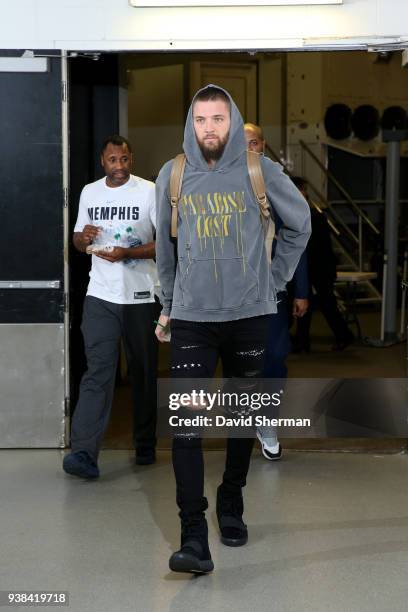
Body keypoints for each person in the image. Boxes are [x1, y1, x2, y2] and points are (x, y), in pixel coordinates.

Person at [155, 85, 311, 574]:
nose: (209, 128)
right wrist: (169, 305)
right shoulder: (173, 173)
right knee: (186, 428)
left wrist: (274, 280)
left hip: (249, 318)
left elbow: (300, 223)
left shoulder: (257, 169)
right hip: (194, 321)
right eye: (201, 119)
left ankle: (231, 498)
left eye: (219, 119)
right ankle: (194, 536)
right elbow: (165, 249)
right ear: (191, 123)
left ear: (233, 120)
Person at [63, 135, 160, 479]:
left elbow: (162, 245)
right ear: (102, 161)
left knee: (143, 372)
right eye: (112, 161)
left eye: (124, 160)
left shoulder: (149, 190)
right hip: (100, 295)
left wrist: (128, 253)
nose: (119, 167)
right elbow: (76, 240)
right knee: (98, 372)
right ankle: (84, 453)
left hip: (140, 296)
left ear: (131, 159)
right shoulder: (90, 192)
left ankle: (145, 442)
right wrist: (83, 238)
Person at [244, 124, 309, 461]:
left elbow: (297, 237)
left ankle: (266, 421)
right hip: (233, 294)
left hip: (273, 289)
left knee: (275, 357)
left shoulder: (277, 183)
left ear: (263, 145)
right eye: (242, 144)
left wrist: (299, 288)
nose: (248, 149)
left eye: (253, 142)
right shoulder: (219, 183)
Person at [291, 176, 354, 352]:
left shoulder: (312, 217)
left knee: (325, 304)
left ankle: (342, 336)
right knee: (312, 303)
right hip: (316, 267)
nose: (304, 193)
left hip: (317, 268)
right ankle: (303, 341)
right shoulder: (314, 216)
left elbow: (311, 247)